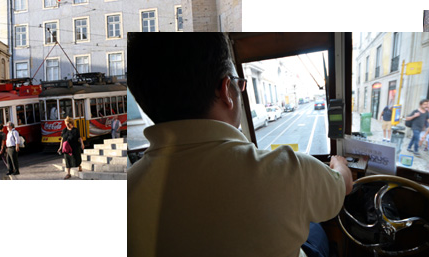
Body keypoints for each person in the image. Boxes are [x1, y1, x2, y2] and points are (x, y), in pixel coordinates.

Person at [126, 33, 353, 257]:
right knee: (315, 231)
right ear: (226, 90)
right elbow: (343, 185)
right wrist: (339, 163)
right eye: (239, 83)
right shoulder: (290, 170)